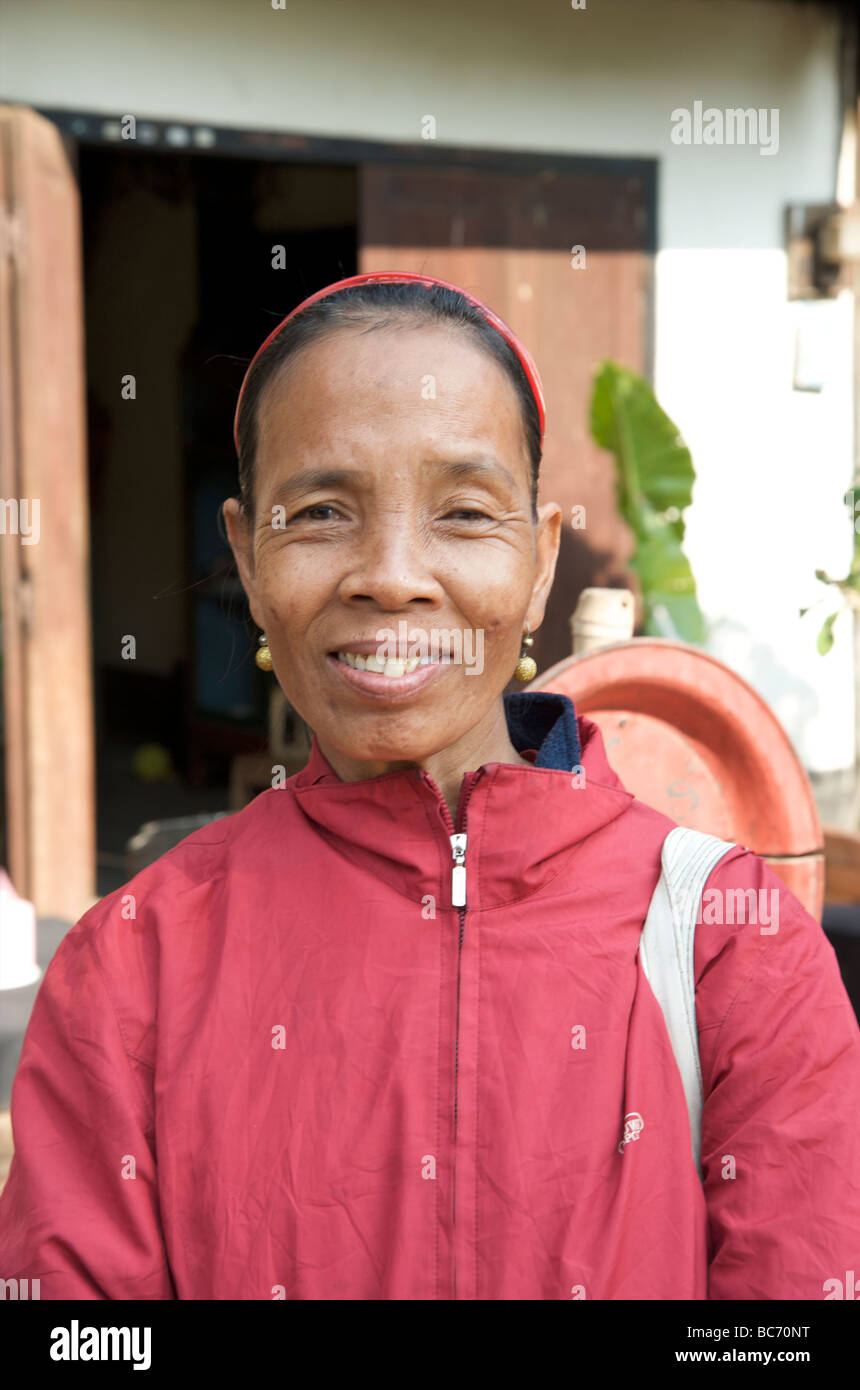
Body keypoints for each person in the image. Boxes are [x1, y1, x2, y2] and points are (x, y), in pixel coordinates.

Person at [1, 272, 858, 1300]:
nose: (392, 574)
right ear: (245, 553)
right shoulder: (132, 964)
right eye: (320, 511)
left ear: (540, 562)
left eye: (462, 511)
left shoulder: (732, 944)